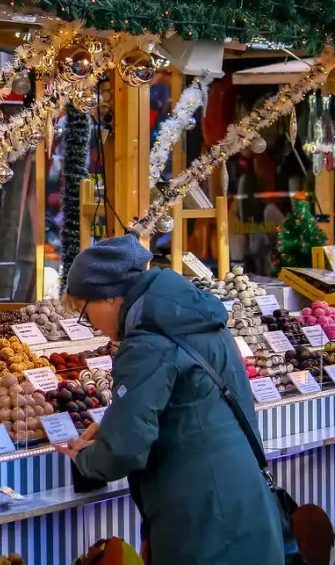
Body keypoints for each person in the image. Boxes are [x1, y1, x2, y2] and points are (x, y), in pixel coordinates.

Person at [55, 235, 284, 565]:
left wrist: (86, 458)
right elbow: (188, 410)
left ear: (107, 297)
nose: (92, 327)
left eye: (85, 315)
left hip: (200, 523)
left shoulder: (146, 343)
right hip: (247, 503)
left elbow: (124, 451)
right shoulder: (202, 321)